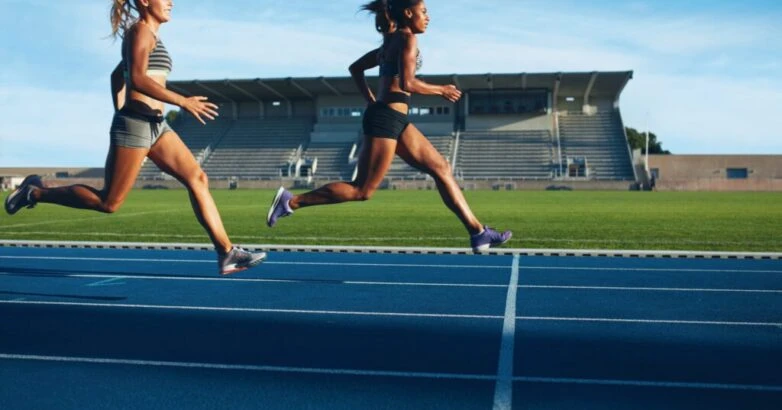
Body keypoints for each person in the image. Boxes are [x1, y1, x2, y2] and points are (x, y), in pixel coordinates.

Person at [4, 0, 266, 275]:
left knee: (197, 178)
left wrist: (121, 107)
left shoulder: (150, 36)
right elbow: (137, 79)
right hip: (136, 126)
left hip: (157, 126)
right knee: (109, 203)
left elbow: (117, 76)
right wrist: (179, 102)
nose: (171, 2)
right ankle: (35, 192)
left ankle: (226, 253)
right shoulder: (139, 32)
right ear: (145, 1)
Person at [266, 0, 511, 253]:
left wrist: (371, 99)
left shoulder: (391, 42)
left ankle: (478, 233)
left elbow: (356, 68)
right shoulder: (406, 39)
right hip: (386, 119)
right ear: (408, 13)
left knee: (441, 168)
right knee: (362, 190)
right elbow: (407, 83)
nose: (428, 17)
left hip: (395, 119)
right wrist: (441, 90)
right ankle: (291, 201)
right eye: (423, 12)